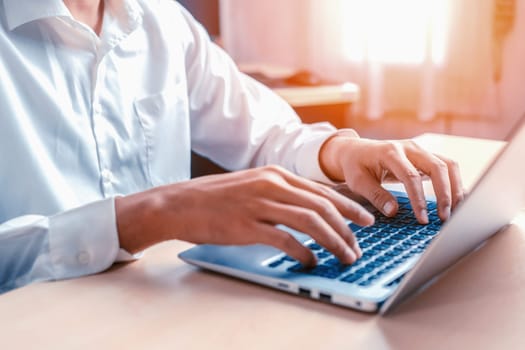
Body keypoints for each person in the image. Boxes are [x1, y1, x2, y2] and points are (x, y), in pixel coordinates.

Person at [0, 0, 463, 294]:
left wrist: (339, 152)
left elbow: (262, 133)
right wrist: (149, 214)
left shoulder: (163, 20)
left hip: (161, 299)